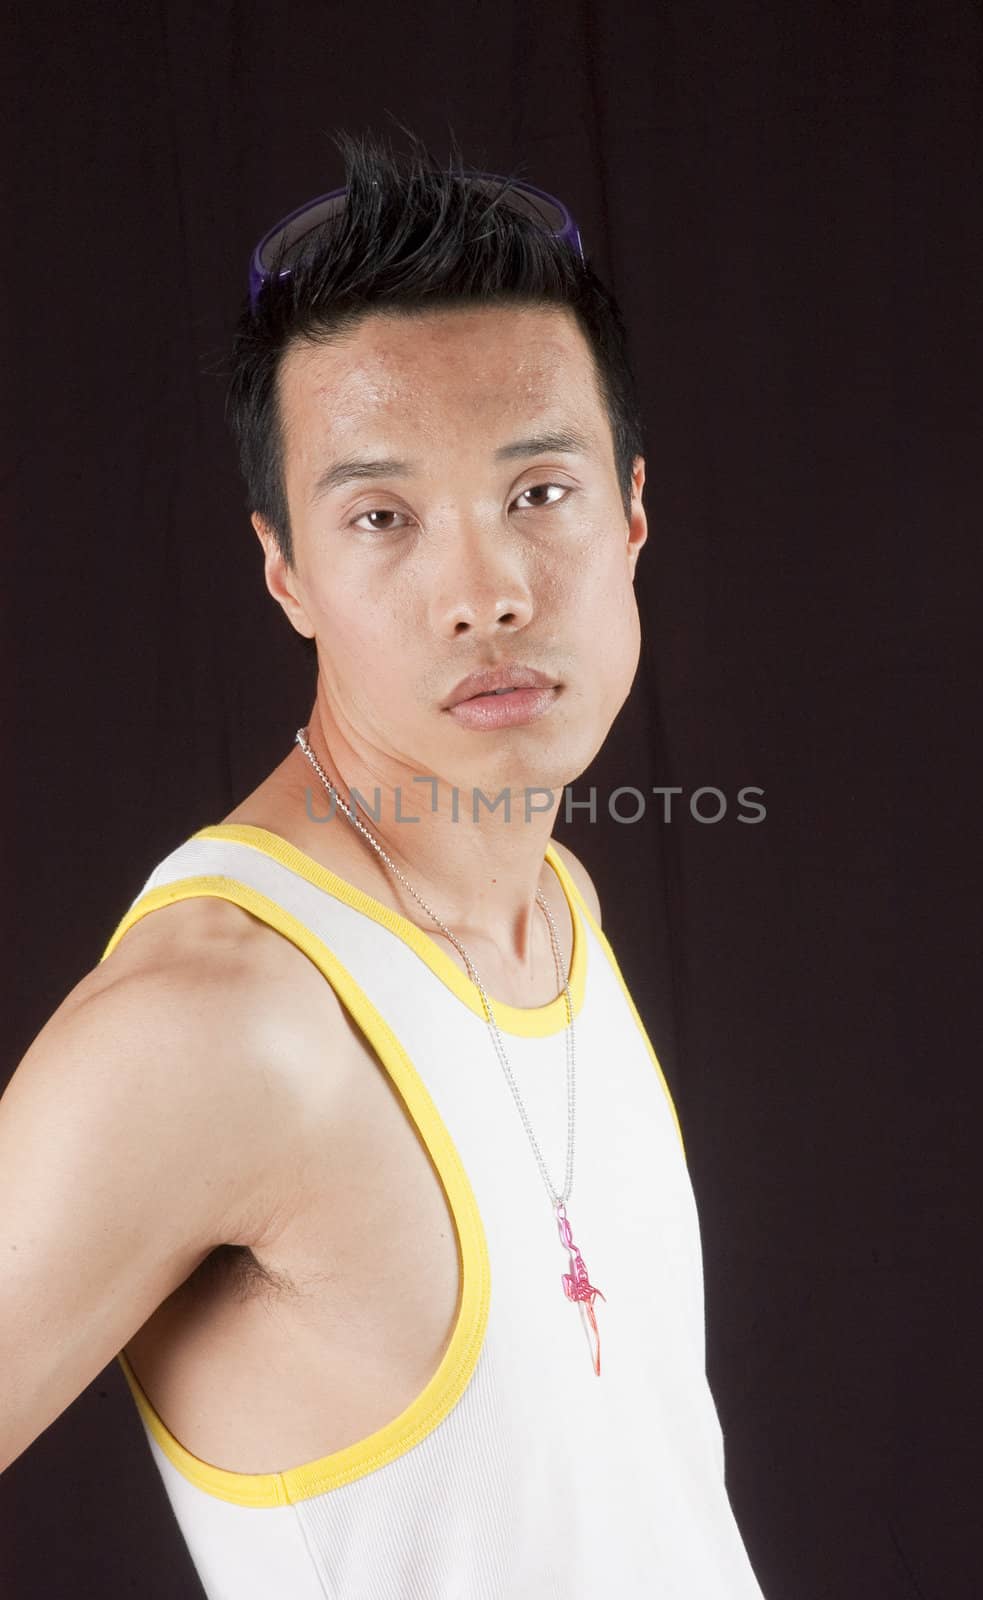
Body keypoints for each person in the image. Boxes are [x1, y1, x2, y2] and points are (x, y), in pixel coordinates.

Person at [0, 127, 766, 1598]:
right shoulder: (219, 1025)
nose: (484, 592)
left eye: (540, 494)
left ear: (631, 517)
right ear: (286, 572)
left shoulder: (549, 903)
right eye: (382, 519)